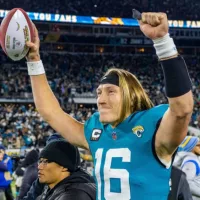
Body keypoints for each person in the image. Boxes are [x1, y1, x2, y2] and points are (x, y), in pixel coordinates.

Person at [25, 12, 193, 199]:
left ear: (131, 96)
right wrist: (34, 60)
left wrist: (162, 42)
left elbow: (182, 109)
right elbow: (50, 112)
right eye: (99, 93)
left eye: (111, 91)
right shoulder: (97, 132)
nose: (101, 99)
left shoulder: (153, 130)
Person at [20, 134, 96, 200]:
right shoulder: (50, 184)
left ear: (64, 166)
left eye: (46, 162)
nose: (39, 167)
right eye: (40, 161)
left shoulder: (74, 194)